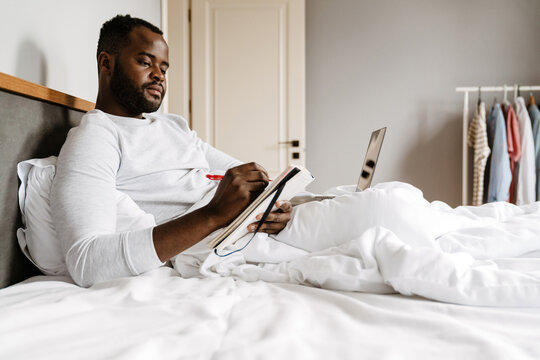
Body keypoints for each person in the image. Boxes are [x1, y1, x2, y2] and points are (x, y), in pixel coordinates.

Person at [51, 14, 292, 287]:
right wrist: (213, 214)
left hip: (260, 225)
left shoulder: (173, 125)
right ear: (107, 63)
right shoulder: (96, 138)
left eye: (164, 68)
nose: (159, 75)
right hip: (229, 239)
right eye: (145, 62)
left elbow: (248, 175)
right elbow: (87, 262)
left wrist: (277, 202)